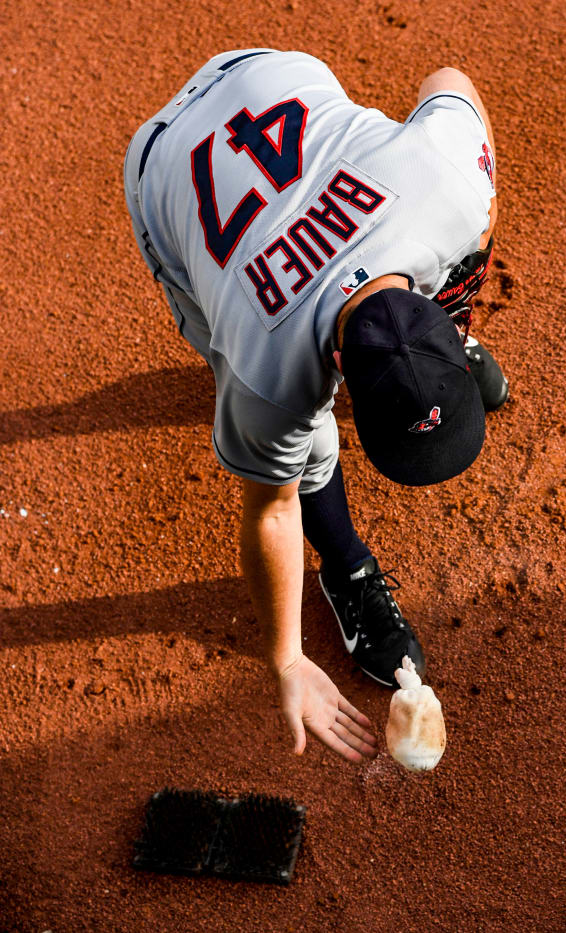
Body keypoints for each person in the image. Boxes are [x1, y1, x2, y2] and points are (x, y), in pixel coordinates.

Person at [124, 48, 507, 765]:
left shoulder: (450, 185)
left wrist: (468, 254)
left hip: (263, 74)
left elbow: (451, 81)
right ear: (341, 379)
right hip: (166, 162)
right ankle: (347, 568)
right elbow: (271, 510)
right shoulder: (271, 372)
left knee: (459, 247)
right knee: (307, 452)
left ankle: (441, 332)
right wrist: (287, 659)